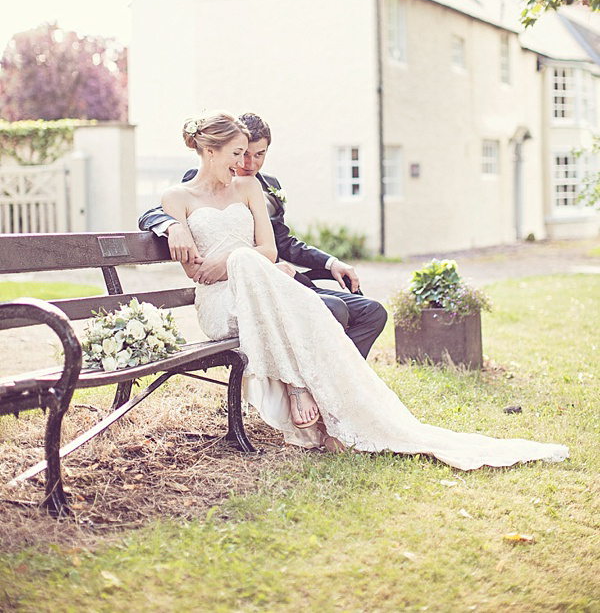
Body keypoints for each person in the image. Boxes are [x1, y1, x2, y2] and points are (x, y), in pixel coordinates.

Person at [159, 109, 569, 468]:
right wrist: (179, 228)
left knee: (267, 271)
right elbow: (196, 271)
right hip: (221, 304)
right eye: (237, 154)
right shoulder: (177, 197)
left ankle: (321, 394)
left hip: (263, 289)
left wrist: (234, 255)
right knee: (289, 291)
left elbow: (267, 250)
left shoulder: (249, 188)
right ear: (210, 150)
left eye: (252, 154)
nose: (245, 163)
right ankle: (304, 387)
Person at [139, 111, 387, 360]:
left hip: (278, 278)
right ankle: (325, 384)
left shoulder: (262, 185)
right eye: (241, 153)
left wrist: (330, 263)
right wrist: (171, 226)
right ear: (215, 151)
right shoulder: (192, 186)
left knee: (372, 312)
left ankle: (339, 380)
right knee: (333, 310)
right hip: (232, 293)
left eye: (259, 154)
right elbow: (156, 214)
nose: (247, 164)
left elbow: (280, 244)